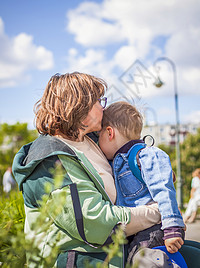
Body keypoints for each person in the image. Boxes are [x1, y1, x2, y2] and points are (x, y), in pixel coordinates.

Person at [12, 72, 162, 268]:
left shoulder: (92, 140)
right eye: (99, 101)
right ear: (78, 106)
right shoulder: (47, 160)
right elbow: (96, 223)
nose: (103, 106)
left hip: (112, 256)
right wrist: (159, 213)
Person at [98, 101, 185, 258]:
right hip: (136, 230)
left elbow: (164, 191)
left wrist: (172, 228)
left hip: (155, 229)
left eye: (99, 135)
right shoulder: (116, 162)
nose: (97, 142)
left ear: (110, 133)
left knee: (143, 261)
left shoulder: (146, 155)